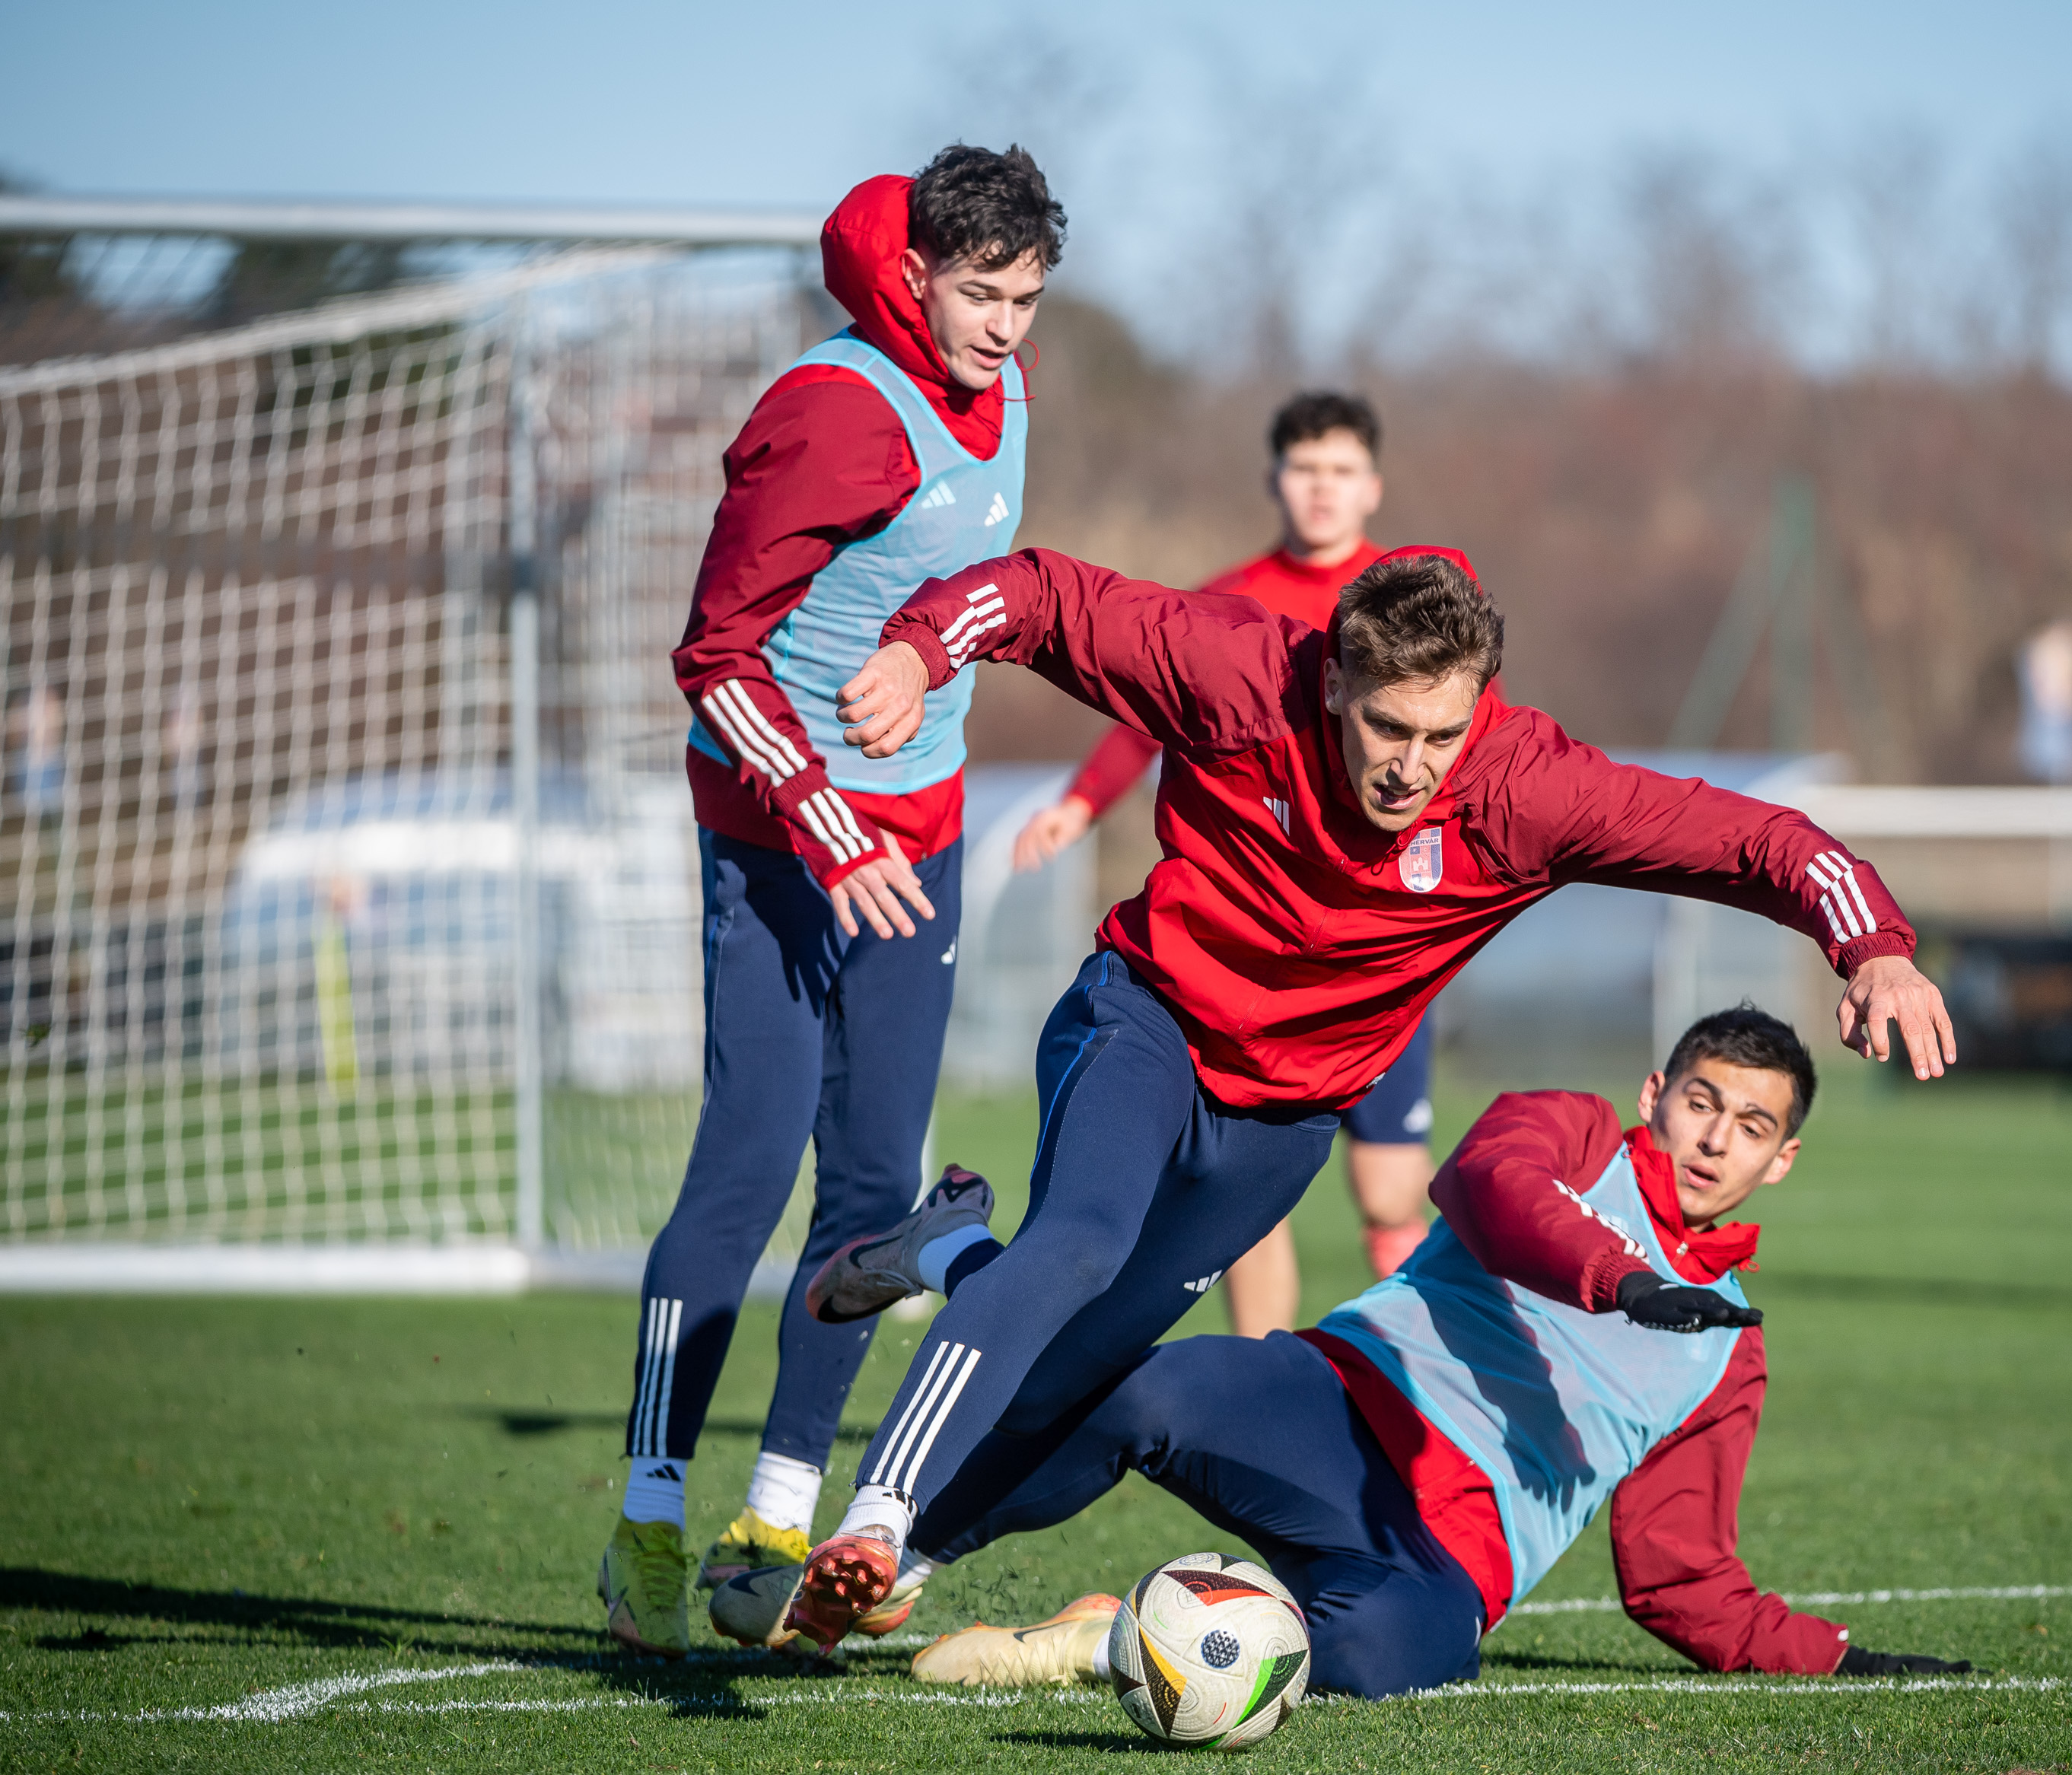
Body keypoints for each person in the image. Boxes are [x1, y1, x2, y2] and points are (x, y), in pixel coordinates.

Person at [760, 542, 1958, 1650]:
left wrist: (1875, 948)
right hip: (1148, 1023)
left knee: (1080, 1363)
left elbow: (1757, 842)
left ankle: (941, 1292)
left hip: (1284, 1123)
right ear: (1334, 680)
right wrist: (921, 648)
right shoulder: (1237, 673)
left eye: (1442, 733)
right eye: (1388, 724)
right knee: (1078, 1244)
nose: (1411, 765)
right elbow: (1041, 596)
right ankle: (876, 1518)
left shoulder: (1528, 789)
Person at [758, 1007, 1972, 1694]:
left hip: (1448, 1557)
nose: (1713, 1138)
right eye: (1701, 1101)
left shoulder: (1728, 1349)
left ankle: (1109, 1636)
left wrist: (1842, 1656)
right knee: (1147, 1384)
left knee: (1404, 1655)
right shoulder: (1576, 1133)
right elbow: (1487, 1189)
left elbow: (1680, 1572)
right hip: (1335, 1406)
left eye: (1750, 1125)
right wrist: (1620, 1278)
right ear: (1658, 1091)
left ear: (1781, 1159)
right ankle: (905, 1551)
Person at [595, 145, 1065, 1659]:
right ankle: (647, 1515)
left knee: (872, 1188)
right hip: (779, 829)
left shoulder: (1006, 386)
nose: (1003, 325)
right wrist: (820, 819)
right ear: (914, 273)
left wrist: (923, 668)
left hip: (917, 834)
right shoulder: (834, 409)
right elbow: (713, 655)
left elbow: (962, 593)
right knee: (746, 1165)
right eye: (979, 293)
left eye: (1027, 298)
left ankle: (778, 1512)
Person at [1013, 389, 1434, 1334]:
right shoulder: (1231, 601)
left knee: (1389, 1194)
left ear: (1371, 486)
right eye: (1304, 468)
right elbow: (1147, 707)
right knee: (1244, 1182)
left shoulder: (1413, 603)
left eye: (1339, 470)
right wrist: (1081, 802)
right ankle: (1256, 1365)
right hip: (1261, 941)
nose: (1321, 488)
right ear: (1274, 479)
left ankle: (1409, 1381)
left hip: (1379, 941)